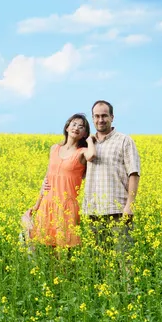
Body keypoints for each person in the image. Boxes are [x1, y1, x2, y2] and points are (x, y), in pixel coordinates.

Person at [26, 113, 95, 248]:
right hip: (48, 203)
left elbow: (92, 155)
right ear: (67, 127)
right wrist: (36, 205)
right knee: (44, 247)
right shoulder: (54, 148)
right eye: (74, 124)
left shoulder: (82, 152)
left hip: (66, 207)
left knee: (64, 251)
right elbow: (47, 178)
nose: (76, 128)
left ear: (84, 133)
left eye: (81, 127)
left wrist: (90, 140)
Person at [82, 100, 141, 248]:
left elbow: (134, 174)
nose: (100, 120)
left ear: (112, 117)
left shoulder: (124, 141)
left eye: (104, 116)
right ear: (92, 118)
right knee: (98, 261)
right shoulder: (88, 143)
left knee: (124, 258)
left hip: (117, 211)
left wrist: (130, 206)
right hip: (92, 211)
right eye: (96, 116)